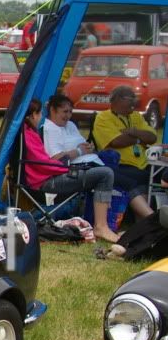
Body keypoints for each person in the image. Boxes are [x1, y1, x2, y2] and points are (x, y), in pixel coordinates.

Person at [22, 98, 120, 242]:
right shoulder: (29, 134)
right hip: (46, 182)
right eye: (39, 114)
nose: (41, 117)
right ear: (32, 116)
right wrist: (68, 168)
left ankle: (101, 223)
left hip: (50, 175)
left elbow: (43, 162)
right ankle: (101, 227)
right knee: (105, 174)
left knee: (105, 171)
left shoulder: (28, 132)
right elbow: (43, 163)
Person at [94, 85, 158, 219]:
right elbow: (117, 142)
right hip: (120, 165)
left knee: (162, 175)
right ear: (117, 100)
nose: (134, 102)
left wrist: (133, 132)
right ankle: (151, 220)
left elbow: (152, 137)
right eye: (131, 99)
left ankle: (149, 221)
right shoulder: (103, 118)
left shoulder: (136, 116)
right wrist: (139, 140)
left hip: (143, 164)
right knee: (139, 179)